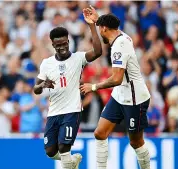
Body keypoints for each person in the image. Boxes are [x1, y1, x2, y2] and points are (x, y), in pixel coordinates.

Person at [80, 6, 151, 169]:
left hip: (135, 98)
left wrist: (94, 87)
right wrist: (97, 20)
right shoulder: (121, 35)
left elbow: (117, 79)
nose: (100, 32)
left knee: (136, 142)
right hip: (120, 95)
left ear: (104, 29)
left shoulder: (119, 47)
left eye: (100, 29)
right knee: (100, 133)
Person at [33, 8, 102, 169]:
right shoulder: (47, 63)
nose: (62, 47)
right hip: (53, 112)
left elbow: (98, 51)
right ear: (53, 44)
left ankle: (69, 164)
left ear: (68, 41)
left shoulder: (78, 58)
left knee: (64, 147)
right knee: (50, 151)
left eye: (65, 43)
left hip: (72, 110)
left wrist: (92, 26)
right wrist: (43, 85)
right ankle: (72, 163)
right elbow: (36, 89)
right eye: (58, 45)